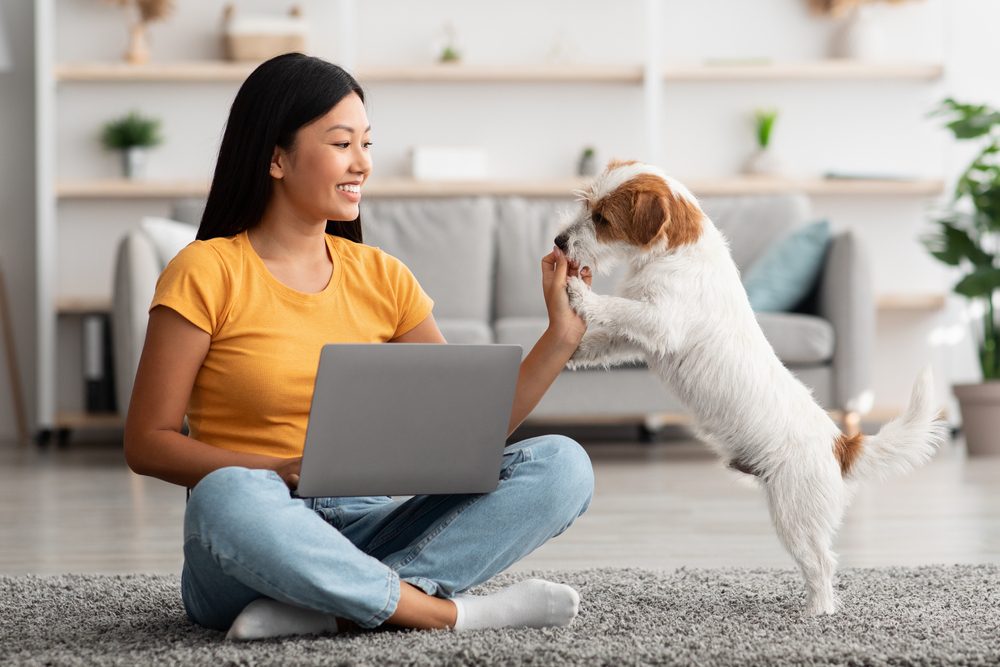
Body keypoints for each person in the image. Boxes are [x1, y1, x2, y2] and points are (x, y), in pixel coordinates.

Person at [123, 53, 595, 641]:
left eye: (367, 144)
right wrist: (279, 471)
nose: (363, 164)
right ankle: (444, 613)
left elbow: (465, 429)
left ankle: (332, 608)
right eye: (343, 143)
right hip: (256, 536)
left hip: (370, 525)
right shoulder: (206, 270)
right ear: (275, 157)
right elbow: (147, 443)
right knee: (226, 494)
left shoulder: (383, 277)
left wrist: (561, 337)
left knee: (562, 465)